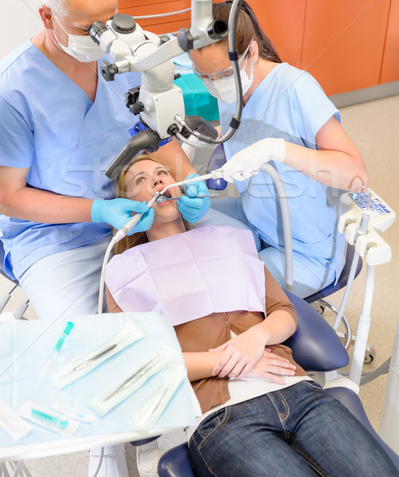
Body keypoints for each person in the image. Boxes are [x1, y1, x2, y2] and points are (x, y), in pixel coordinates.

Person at [0, 0, 210, 477]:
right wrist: (95, 208)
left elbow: (165, 136)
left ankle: (216, 425)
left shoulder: (128, 55)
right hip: (55, 238)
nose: (106, 37)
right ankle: (110, 452)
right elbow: (8, 196)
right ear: (48, 17)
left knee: (211, 294)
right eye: (88, 26)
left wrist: (186, 182)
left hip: (144, 213)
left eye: (112, 17)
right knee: (102, 352)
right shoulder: (13, 90)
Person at [105, 155, 398, 477]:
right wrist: (230, 360)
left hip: (298, 391)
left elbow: (283, 311)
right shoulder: (124, 273)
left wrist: (255, 339)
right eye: (140, 181)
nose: (158, 181)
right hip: (222, 417)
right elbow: (144, 363)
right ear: (125, 206)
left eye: (161, 173)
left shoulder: (227, 241)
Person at [189, 0, 368, 298]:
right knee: (186, 220)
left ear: (251, 53)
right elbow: (250, 126)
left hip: (305, 250)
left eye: (220, 75)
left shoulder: (296, 87)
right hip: (257, 217)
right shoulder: (234, 86)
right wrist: (207, 135)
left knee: (220, 291)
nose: (213, 84)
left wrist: (278, 149)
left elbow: (356, 175)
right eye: (203, 76)